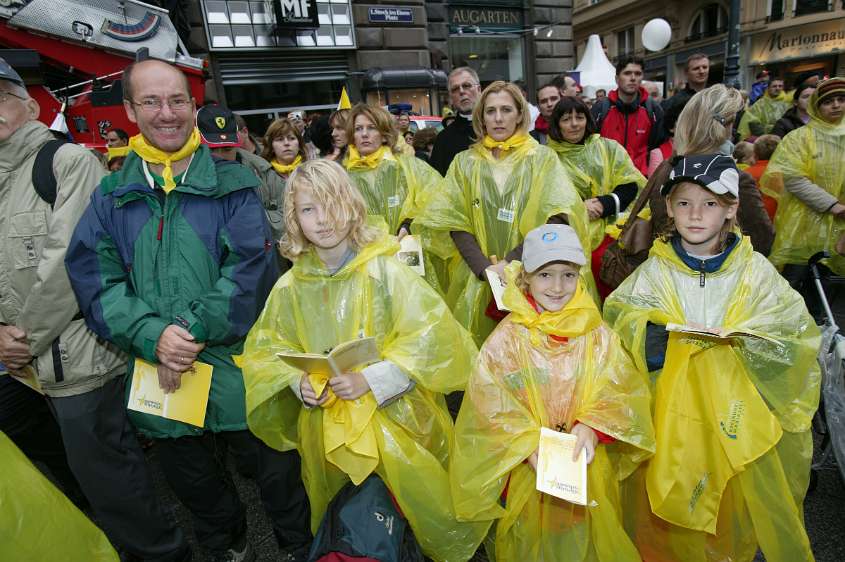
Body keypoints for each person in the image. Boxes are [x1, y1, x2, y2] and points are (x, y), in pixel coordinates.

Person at [65, 59, 312, 562]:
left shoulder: (233, 184)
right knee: (195, 483)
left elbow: (251, 270)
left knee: (276, 471)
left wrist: (190, 328)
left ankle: (297, 546)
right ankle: (228, 543)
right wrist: (152, 335)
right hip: (160, 371)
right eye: (152, 101)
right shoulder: (111, 197)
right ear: (131, 110)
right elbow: (93, 278)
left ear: (193, 106)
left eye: (177, 100)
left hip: (238, 365)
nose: (167, 113)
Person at [240, 159, 487, 562]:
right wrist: (297, 383)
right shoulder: (290, 286)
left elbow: (434, 337)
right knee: (349, 514)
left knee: (411, 509)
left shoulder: (386, 272)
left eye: (330, 204)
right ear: (294, 219)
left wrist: (374, 379)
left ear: (352, 205)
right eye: (308, 209)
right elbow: (267, 349)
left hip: (400, 422)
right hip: (329, 430)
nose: (322, 220)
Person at [0, 57, 189, 561]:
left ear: (26, 100)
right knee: (64, 467)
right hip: (18, 364)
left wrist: (17, 341)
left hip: (74, 356)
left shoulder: (65, 163)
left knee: (113, 477)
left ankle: (161, 553)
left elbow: (68, 265)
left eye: (0, 95)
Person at [604, 153, 819, 562]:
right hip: (671, 418)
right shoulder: (656, 272)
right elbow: (619, 324)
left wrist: (748, 341)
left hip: (735, 419)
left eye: (710, 204)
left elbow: (795, 335)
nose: (696, 215)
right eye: (684, 203)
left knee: (729, 508)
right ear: (669, 208)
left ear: (731, 209)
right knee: (669, 509)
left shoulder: (754, 273)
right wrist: (663, 338)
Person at [450, 224, 655, 562]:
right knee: (533, 540)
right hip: (530, 467)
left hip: (584, 461)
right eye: (545, 275)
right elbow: (489, 401)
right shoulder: (509, 338)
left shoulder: (595, 332)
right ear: (525, 278)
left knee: (588, 534)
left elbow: (619, 386)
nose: (558, 287)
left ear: (579, 276)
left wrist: (590, 425)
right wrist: (527, 442)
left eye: (567, 275)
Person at [417, 80, 593, 345]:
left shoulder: (542, 158)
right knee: (484, 354)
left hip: (533, 275)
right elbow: (454, 220)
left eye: (506, 110)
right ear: (481, 117)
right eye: (490, 111)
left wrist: (510, 264)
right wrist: (486, 270)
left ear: (520, 114)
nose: (498, 118)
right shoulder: (465, 163)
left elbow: (556, 216)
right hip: (479, 278)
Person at [648, 84, 775, 257]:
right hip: (722, 276)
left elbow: (660, 228)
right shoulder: (734, 178)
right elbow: (762, 239)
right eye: (732, 121)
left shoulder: (668, 168)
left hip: (668, 270)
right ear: (724, 126)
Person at [546, 96, 645, 298]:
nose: (574, 124)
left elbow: (630, 184)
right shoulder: (547, 158)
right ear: (557, 125)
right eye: (566, 119)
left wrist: (603, 204)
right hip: (568, 235)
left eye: (579, 117)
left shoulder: (608, 148)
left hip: (613, 229)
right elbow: (544, 201)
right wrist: (579, 209)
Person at [344, 104, 446, 292]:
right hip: (366, 265)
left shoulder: (408, 166)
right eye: (358, 129)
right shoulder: (342, 176)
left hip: (408, 255)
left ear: (384, 134)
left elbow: (437, 198)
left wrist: (409, 223)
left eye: (371, 127)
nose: (364, 134)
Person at [761, 77, 845, 297]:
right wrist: (833, 205)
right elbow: (794, 178)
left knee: (828, 286)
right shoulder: (799, 138)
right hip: (802, 225)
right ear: (817, 106)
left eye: (841, 99)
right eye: (828, 101)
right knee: (792, 283)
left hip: (839, 227)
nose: (836, 105)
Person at [198, 104, 289, 273]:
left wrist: (251, 219)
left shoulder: (262, 170)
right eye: (211, 149)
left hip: (266, 269)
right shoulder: (188, 180)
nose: (220, 157)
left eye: (227, 149)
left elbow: (291, 215)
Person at [591, 56, 662, 176]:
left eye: (638, 74)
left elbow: (658, 148)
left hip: (639, 181)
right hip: (606, 181)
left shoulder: (653, 110)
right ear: (617, 79)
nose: (633, 78)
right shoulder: (601, 109)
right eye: (627, 73)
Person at [429, 66, 482, 176]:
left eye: (467, 86)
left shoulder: (497, 128)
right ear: (451, 98)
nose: (462, 91)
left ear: (479, 89)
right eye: (455, 89)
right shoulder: (443, 139)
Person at [747, 134, 780, 220]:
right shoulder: (784, 174)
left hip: (748, 223)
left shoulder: (745, 174)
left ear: (755, 153)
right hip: (778, 223)